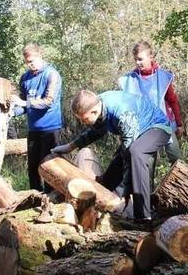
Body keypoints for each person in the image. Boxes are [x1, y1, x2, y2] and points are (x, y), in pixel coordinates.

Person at [52, 90, 172, 222]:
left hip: (157, 127)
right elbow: (95, 133)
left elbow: (128, 154)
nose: (83, 122)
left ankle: (143, 215)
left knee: (136, 153)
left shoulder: (121, 112)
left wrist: (122, 192)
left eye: (84, 119)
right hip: (137, 134)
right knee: (113, 172)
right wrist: (70, 147)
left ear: (94, 111)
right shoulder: (99, 107)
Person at [118, 41, 183, 163]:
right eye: (136, 60)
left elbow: (172, 101)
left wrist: (179, 124)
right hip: (142, 127)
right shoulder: (130, 80)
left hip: (164, 124)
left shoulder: (162, 77)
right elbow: (125, 108)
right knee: (147, 162)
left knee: (175, 158)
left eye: (140, 59)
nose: (138, 63)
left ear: (150, 57)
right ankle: (148, 182)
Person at [17, 44, 63, 191]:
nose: (30, 65)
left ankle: (53, 198)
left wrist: (24, 103)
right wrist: (12, 112)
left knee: (49, 166)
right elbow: (24, 105)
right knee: (33, 167)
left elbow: (48, 101)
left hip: (50, 128)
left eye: (32, 61)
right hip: (33, 129)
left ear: (40, 56)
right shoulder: (25, 78)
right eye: (27, 62)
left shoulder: (51, 74)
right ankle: (35, 196)